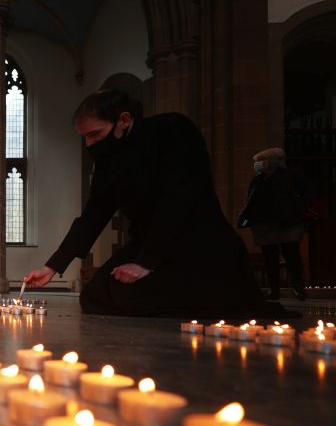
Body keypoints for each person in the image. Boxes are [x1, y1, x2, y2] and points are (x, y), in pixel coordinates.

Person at [22, 90, 286, 318]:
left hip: (195, 239)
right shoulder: (107, 160)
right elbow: (95, 213)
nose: (90, 144)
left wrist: (145, 262)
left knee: (144, 295)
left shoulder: (172, 130)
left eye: (95, 134)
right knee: (96, 295)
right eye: (85, 138)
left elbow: (180, 198)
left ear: (123, 120)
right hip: (147, 241)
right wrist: (53, 266)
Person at [237, 148, 308, 300]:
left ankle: (297, 286)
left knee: (291, 254)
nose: (258, 164)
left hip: (288, 222)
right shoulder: (258, 180)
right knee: (270, 258)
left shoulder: (291, 175)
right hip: (264, 224)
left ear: (272, 162)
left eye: (261, 161)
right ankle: (274, 289)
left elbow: (307, 193)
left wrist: (298, 209)